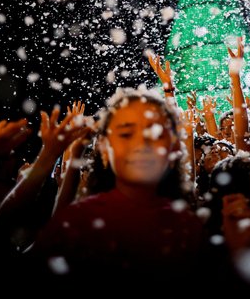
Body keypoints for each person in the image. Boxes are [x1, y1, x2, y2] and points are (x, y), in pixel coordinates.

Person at [32, 88, 204, 287]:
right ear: (104, 149)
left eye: (155, 133)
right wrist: (71, 153)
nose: (141, 143)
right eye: (126, 134)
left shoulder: (189, 226)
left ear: (174, 147)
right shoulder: (79, 220)